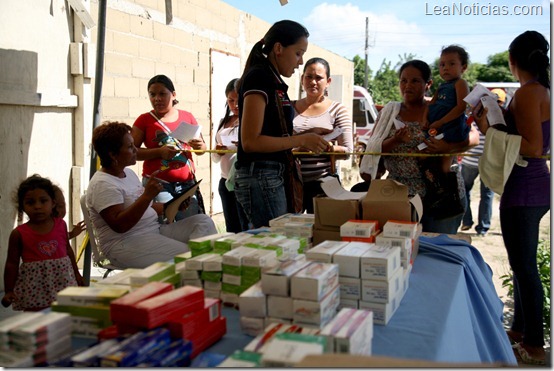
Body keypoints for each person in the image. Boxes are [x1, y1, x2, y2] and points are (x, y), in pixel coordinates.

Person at [472, 31, 550, 365]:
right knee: (520, 266)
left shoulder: (531, 92)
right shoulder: (535, 91)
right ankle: (520, 331)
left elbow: (534, 147)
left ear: (512, 60)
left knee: (525, 268)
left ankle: (533, 343)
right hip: (526, 188)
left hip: (527, 189)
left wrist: (492, 130)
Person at [360, 59, 479, 234]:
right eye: (403, 80)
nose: (408, 85)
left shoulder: (441, 108)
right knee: (400, 254)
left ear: (428, 84)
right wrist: (396, 141)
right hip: (399, 198)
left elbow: (473, 137)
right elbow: (374, 149)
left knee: (439, 251)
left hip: (441, 196)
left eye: (415, 81)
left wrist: (447, 148)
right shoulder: (389, 112)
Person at [234, 20, 330, 228]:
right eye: (298, 53)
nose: (300, 62)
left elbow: (271, 131)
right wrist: (300, 139)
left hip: (270, 175)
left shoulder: (272, 78)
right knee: (275, 245)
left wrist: (305, 136)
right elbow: (250, 142)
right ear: (278, 48)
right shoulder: (260, 76)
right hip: (261, 175)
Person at [86, 121, 218, 269]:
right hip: (124, 243)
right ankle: (195, 273)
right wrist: (147, 196)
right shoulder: (102, 184)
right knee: (188, 257)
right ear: (112, 154)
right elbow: (120, 225)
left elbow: (148, 209)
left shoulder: (128, 173)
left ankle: (200, 268)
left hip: (154, 231)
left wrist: (173, 205)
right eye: (130, 147)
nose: (136, 150)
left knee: (203, 222)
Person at [2, 175, 84, 311]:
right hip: (35, 291)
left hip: (63, 284)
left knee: (65, 315)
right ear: (22, 206)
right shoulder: (19, 233)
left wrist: (76, 274)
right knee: (36, 321)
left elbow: (68, 251)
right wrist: (9, 290)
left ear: (53, 203)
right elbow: (12, 263)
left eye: (43, 201)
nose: (37, 206)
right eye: (30, 202)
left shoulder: (61, 225)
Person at [132, 74, 207, 221]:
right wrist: (159, 152)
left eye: (162, 94)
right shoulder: (144, 120)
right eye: (152, 95)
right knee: (165, 226)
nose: (157, 99)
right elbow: (132, 152)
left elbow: (202, 150)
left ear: (173, 95)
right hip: (159, 186)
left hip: (187, 186)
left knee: (191, 225)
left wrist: (200, 146)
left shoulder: (188, 116)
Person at [292, 57, 353, 213]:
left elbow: (347, 151)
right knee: (292, 232)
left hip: (324, 184)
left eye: (319, 78)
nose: (313, 82)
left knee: (323, 232)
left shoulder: (338, 110)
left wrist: (323, 147)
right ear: (302, 79)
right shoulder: (289, 108)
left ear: (328, 81)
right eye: (309, 77)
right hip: (291, 182)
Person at [459, 91, 505, 236]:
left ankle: (471, 223)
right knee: (484, 194)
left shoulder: (474, 117)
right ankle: (481, 227)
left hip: (475, 161)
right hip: (484, 162)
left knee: (468, 191)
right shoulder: (501, 120)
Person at [424, 45, 471, 174]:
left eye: (451, 64)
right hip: (436, 126)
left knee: (445, 162)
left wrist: (441, 122)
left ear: (464, 67)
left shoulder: (461, 83)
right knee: (427, 152)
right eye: (442, 64)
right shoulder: (442, 86)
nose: (445, 68)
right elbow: (431, 104)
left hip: (451, 125)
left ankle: (446, 184)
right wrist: (425, 119)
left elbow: (461, 107)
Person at [211, 78, 248, 232]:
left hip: (243, 181)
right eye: (231, 100)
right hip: (226, 181)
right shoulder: (222, 121)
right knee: (231, 227)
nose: (235, 105)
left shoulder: (249, 120)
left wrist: (245, 147)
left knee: (245, 227)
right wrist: (218, 151)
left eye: (239, 100)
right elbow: (215, 158)